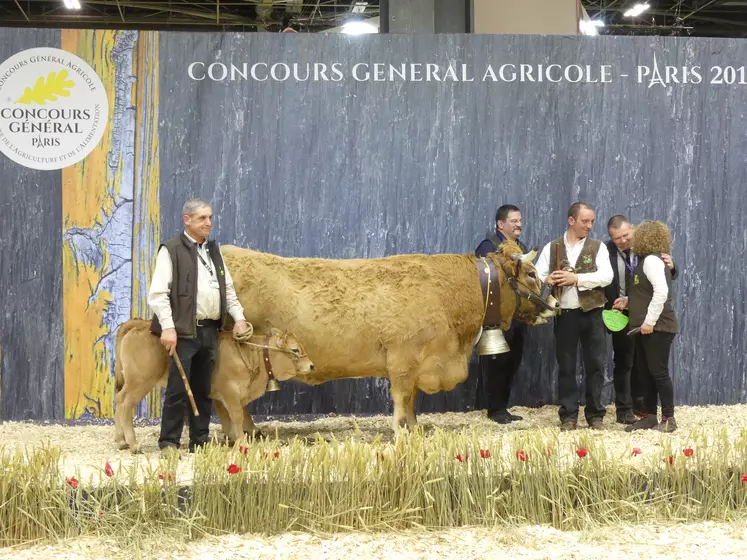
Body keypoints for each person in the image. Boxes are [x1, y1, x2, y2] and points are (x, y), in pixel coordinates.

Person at [148, 199, 249, 454]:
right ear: (187, 220)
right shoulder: (170, 250)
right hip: (182, 332)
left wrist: (238, 318)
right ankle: (169, 441)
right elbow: (158, 294)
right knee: (177, 389)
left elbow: (227, 289)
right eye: (202, 218)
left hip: (209, 330)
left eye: (210, 218)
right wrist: (168, 328)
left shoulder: (213, 252)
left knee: (204, 388)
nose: (208, 223)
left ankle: (199, 440)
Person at [536, 202, 613, 431]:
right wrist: (548, 280)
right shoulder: (552, 247)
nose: (589, 226)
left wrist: (576, 279)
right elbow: (537, 276)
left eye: (591, 222)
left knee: (596, 366)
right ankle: (568, 415)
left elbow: (606, 276)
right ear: (571, 220)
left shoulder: (598, 247)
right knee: (566, 366)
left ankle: (595, 414)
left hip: (593, 314)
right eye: (584, 221)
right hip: (565, 314)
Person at [605, 215, 678, 424]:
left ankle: (668, 418)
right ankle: (649, 416)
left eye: (630, 236)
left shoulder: (652, 261)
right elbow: (646, 292)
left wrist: (649, 322)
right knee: (646, 373)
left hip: (657, 327)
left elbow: (661, 292)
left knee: (659, 373)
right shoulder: (646, 261)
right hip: (645, 326)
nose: (628, 241)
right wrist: (628, 301)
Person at [475, 204, 527, 424]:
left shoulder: (521, 247)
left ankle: (502, 406)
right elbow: (481, 280)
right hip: (496, 318)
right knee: (496, 363)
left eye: (520, 221)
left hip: (517, 316)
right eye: (514, 221)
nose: (519, 225)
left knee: (512, 362)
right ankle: (494, 409)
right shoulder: (487, 247)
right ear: (500, 224)